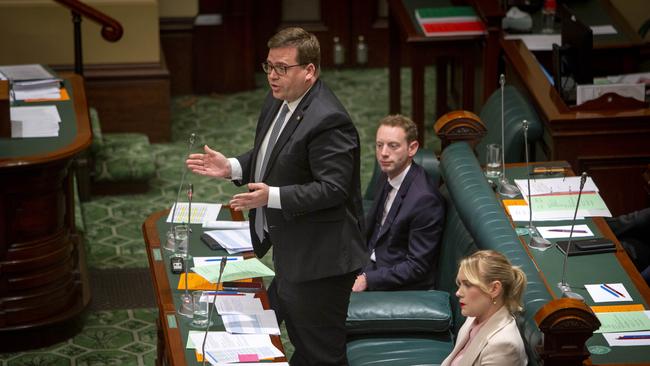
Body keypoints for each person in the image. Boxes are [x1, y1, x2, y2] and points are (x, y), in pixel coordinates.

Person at [186, 27, 367, 365]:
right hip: (293, 248)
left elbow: (333, 189)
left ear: (309, 71)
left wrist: (272, 196)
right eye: (268, 66)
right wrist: (233, 166)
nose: (272, 75)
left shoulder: (329, 120)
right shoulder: (278, 100)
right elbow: (273, 154)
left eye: (282, 68)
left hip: (322, 260)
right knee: (300, 341)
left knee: (321, 352)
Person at [352, 114, 444, 292]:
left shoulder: (425, 200)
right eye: (379, 145)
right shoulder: (387, 173)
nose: (384, 153)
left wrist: (367, 279)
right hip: (369, 260)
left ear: (412, 148)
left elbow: (417, 267)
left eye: (393, 146)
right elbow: (375, 228)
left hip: (391, 279)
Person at [441, 250, 528, 366]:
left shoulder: (503, 346)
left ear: (494, 289)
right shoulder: (475, 316)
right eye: (460, 284)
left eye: (467, 285)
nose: (458, 293)